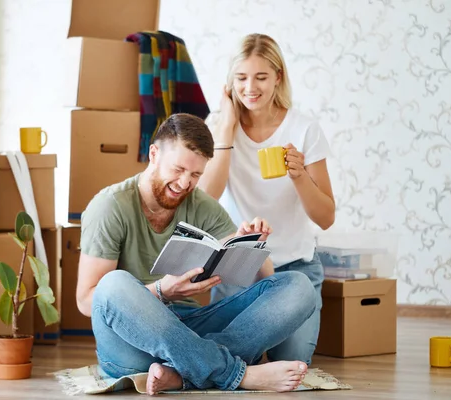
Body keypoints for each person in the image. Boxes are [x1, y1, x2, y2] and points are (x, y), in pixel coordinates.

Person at [76, 113, 318, 395]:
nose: (184, 183)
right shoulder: (110, 206)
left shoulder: (201, 204)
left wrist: (253, 245)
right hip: (132, 345)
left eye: (195, 175)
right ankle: (235, 374)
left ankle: (181, 375)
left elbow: (265, 277)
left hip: (190, 327)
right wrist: (161, 291)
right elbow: (87, 301)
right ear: (154, 154)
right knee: (113, 284)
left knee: (298, 286)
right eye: (177, 169)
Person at [198, 33, 335, 366]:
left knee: (289, 360)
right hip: (239, 263)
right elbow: (206, 198)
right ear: (230, 84)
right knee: (234, 351)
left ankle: (234, 359)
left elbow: (326, 217)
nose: (250, 88)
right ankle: (235, 359)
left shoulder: (304, 128)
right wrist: (227, 128)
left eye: (261, 77)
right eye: (241, 78)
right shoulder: (217, 128)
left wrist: (300, 175)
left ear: (278, 77)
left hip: (295, 267)